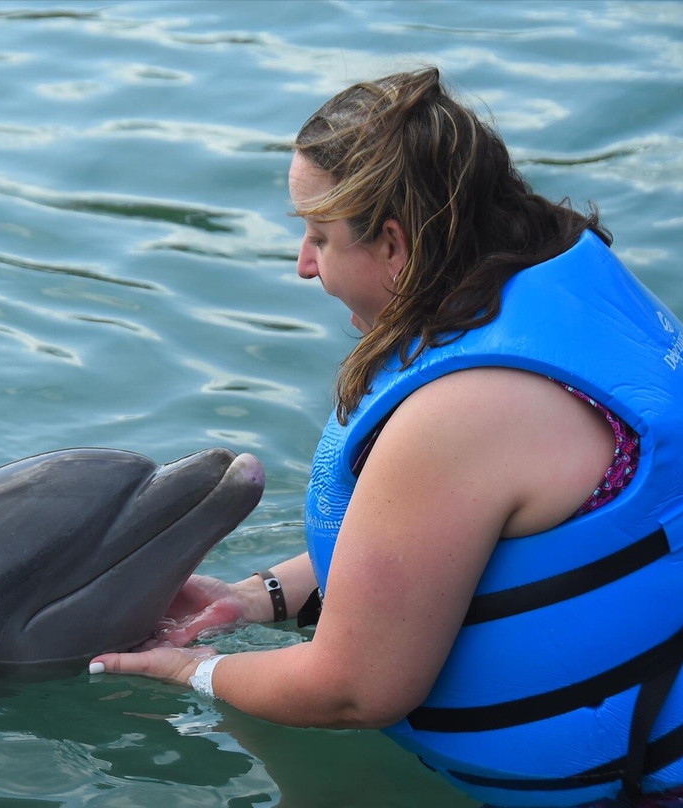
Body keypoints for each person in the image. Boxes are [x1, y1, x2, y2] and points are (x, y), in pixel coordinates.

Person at [90, 67, 683, 808]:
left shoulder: (465, 413)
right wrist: (256, 597)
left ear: (396, 244)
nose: (304, 264)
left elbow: (354, 691)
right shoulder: (562, 298)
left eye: (319, 236)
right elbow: (457, 541)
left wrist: (193, 672)